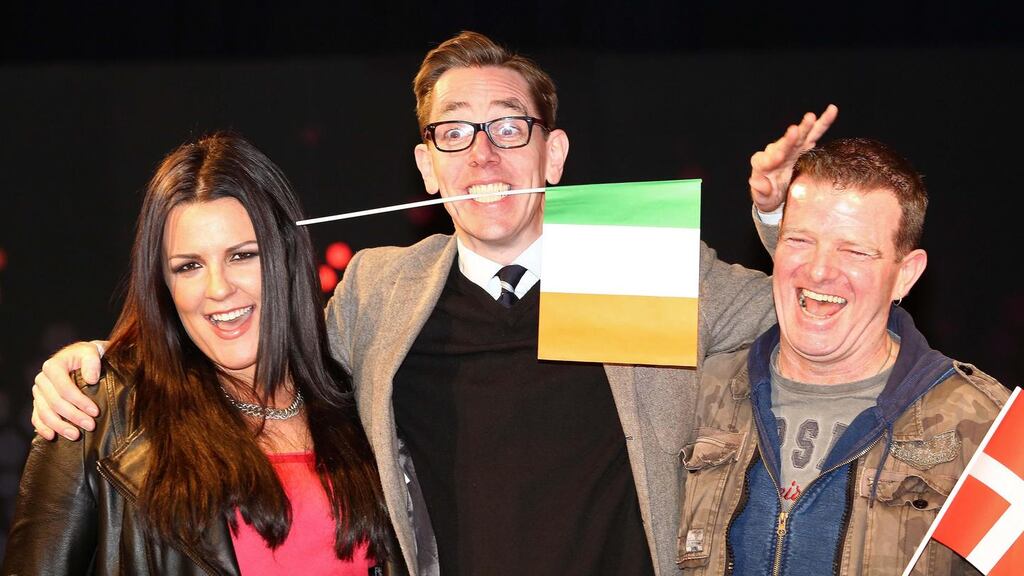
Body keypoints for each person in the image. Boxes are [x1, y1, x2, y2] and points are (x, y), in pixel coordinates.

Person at [29, 32, 835, 576]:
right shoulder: (382, 290)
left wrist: (776, 220)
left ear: (552, 154)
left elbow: (807, 317)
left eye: (509, 128)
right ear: (426, 166)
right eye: (455, 134)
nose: (483, 155)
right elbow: (241, 337)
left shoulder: (625, 258)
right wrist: (102, 361)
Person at [4, 133, 395, 575]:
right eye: (189, 266)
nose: (218, 289)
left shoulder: (359, 398)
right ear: (164, 285)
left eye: (243, 256)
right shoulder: (94, 411)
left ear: (284, 257)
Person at [676, 138, 1010, 575]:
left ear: (904, 276)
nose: (818, 270)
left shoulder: (986, 428)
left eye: (854, 250)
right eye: (799, 240)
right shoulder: (697, 392)